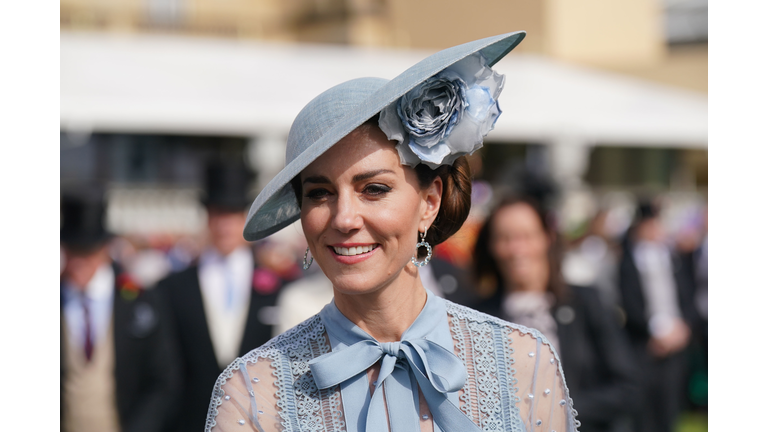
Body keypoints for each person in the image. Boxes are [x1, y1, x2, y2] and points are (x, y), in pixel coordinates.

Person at [206, 32, 580, 432]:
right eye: (319, 193)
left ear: (429, 203)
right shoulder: (253, 392)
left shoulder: (523, 362)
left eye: (374, 189)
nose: (344, 218)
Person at [472, 195, 639, 432]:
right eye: (504, 238)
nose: (516, 249)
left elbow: (627, 387)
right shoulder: (477, 315)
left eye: (526, 236)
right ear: (491, 246)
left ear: (547, 238)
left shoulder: (585, 303)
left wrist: (555, 411)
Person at [156, 160, 292, 432]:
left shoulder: (277, 286)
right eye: (217, 214)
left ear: (245, 217)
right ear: (206, 217)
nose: (225, 226)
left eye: (232, 214)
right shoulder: (173, 287)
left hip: (260, 422)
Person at [60, 191, 180, 432]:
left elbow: (162, 378)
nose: (79, 262)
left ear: (105, 249)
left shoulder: (139, 300)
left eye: (88, 251)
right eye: (74, 251)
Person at [617, 200, 698, 432]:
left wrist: (683, 327)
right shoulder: (629, 260)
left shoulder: (672, 257)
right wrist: (655, 331)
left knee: (670, 405)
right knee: (646, 408)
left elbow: (686, 295)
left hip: (675, 338)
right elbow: (629, 301)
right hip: (647, 342)